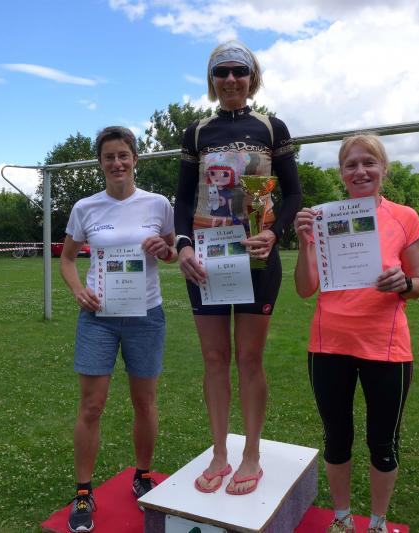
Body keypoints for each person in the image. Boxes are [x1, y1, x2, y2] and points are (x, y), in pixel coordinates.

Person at [174, 41, 302, 496]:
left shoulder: (271, 127)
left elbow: (293, 194)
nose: (230, 79)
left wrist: (275, 233)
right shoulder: (196, 133)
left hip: (257, 256)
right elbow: (183, 199)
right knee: (214, 360)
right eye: (222, 72)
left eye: (238, 71)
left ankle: (251, 454)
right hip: (206, 258)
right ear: (212, 79)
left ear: (252, 77)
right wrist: (183, 246)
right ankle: (219, 453)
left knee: (249, 359)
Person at [293, 134, 419, 533]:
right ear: (341, 173)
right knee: (337, 438)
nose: (360, 171)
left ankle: (378, 523)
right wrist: (303, 242)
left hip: (387, 348)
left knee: (383, 443)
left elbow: (418, 284)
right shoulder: (321, 218)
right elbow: (305, 288)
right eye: (351, 164)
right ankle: (342, 518)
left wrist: (404, 282)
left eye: (369, 162)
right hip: (329, 345)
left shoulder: (404, 217)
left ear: (383, 168)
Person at [60, 126, 176, 532]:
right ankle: (83, 492)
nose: (117, 163)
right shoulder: (85, 208)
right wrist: (78, 291)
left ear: (135, 159)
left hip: (146, 316)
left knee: (145, 403)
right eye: (109, 157)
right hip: (99, 318)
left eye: (123, 155)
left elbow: (173, 252)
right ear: (100, 163)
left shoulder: (158, 204)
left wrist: (166, 250)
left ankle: (142, 475)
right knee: (92, 406)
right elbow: (67, 259)